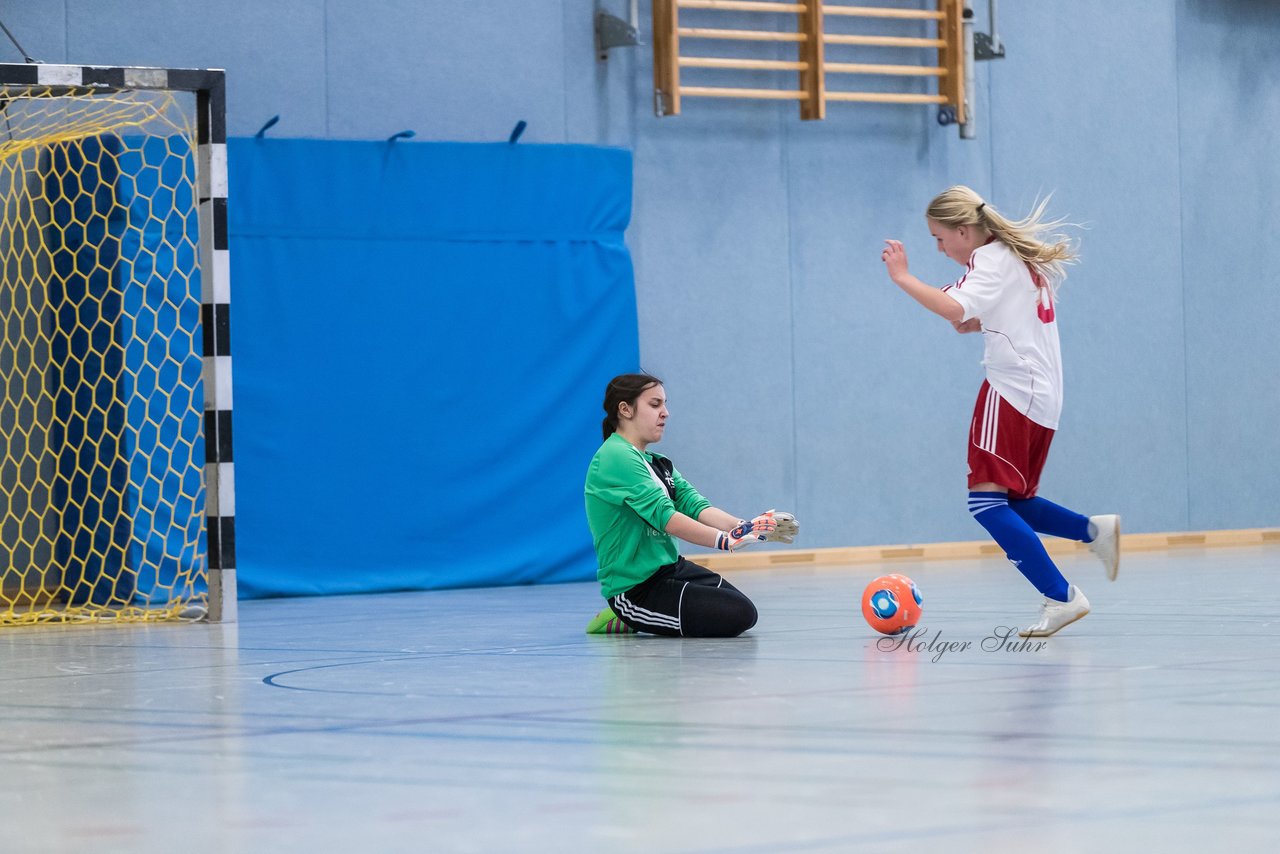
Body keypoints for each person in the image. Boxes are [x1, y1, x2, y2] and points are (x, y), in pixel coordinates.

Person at [880, 185, 1119, 637]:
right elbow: (982, 311)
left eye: (939, 237)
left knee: (985, 503)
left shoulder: (990, 260)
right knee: (1015, 500)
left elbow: (954, 304)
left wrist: (903, 277)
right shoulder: (1013, 258)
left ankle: (1061, 596)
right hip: (1042, 395)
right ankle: (1093, 532)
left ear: (964, 231)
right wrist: (977, 321)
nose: (939, 246)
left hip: (1011, 390)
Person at [583, 373, 798, 637]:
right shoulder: (615, 455)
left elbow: (696, 506)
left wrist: (744, 526)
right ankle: (626, 615)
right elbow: (666, 517)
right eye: (655, 404)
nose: (666, 413)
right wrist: (724, 540)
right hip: (636, 588)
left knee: (745, 610)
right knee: (738, 614)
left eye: (665, 404)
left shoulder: (657, 462)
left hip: (671, 568)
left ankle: (646, 617)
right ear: (625, 409)